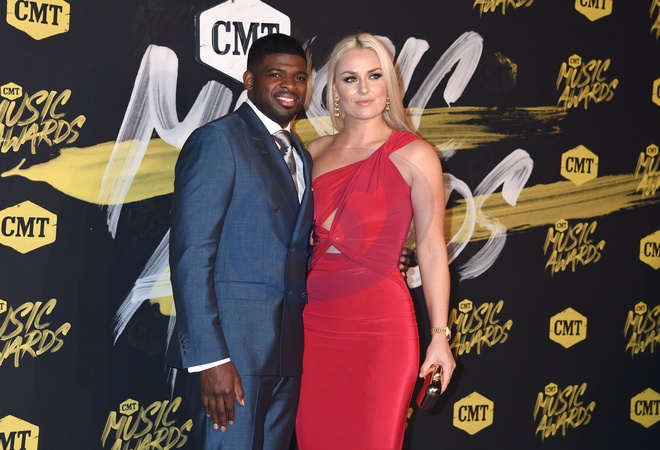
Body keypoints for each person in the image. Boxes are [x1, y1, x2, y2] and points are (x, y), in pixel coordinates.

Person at [295, 33, 456, 449]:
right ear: (334, 90)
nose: (364, 89)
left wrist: (440, 336)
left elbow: (431, 248)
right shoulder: (311, 154)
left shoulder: (415, 154)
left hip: (381, 331)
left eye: (374, 75)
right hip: (313, 326)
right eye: (350, 78)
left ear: (389, 85)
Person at [165, 33, 313, 450]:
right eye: (276, 74)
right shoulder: (218, 140)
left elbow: (292, 247)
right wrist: (211, 359)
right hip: (232, 355)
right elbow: (192, 255)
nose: (290, 85)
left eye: (299, 77)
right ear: (249, 80)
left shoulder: (300, 154)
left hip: (286, 353)